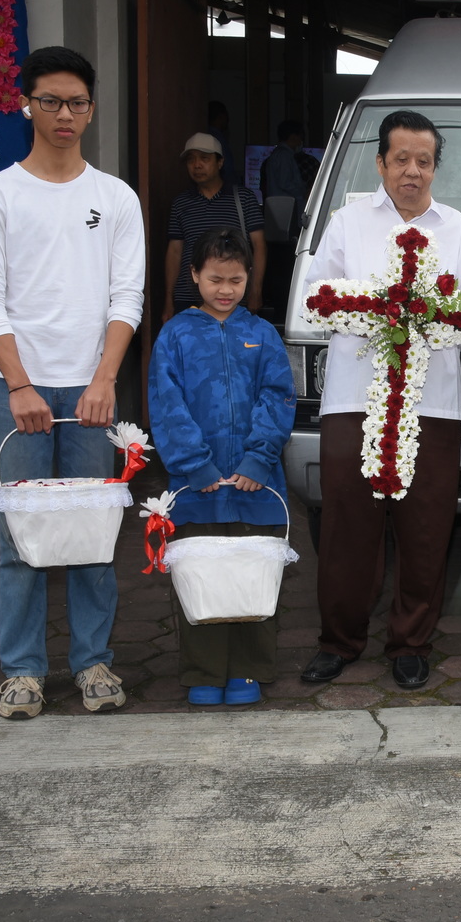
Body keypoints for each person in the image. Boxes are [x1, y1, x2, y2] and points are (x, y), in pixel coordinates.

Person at [0, 46, 145, 720]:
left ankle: (93, 661)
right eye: (51, 101)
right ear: (28, 106)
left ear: (92, 110)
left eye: (76, 103)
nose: (64, 114)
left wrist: (104, 379)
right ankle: (22, 671)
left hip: (90, 391)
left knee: (91, 536)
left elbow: (126, 297)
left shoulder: (114, 197)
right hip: (13, 391)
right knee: (20, 537)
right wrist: (19, 385)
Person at [298, 110, 461, 690]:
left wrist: (431, 312)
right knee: (348, 526)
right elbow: (314, 296)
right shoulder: (348, 222)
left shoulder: (455, 228)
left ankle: (411, 643)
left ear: (436, 168)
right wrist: (380, 303)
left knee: (426, 530)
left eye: (423, 161)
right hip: (354, 398)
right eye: (401, 159)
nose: (412, 171)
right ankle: (339, 641)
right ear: (380, 163)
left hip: (433, 404)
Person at [149, 226, 295, 706]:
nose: (226, 290)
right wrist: (195, 466)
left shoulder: (262, 334)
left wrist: (258, 459)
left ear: (249, 276)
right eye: (215, 279)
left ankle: (249, 670)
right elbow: (166, 404)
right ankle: (204, 672)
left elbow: (279, 397)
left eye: (236, 280)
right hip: (197, 487)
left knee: (254, 572)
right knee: (202, 576)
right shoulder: (175, 335)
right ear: (194, 275)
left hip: (257, 484)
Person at [163, 132, 266, 320]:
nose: (197, 165)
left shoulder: (243, 199)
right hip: (188, 297)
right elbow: (175, 251)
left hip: (232, 295)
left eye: (204, 158)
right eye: (191, 160)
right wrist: (169, 299)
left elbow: (259, 246)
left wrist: (255, 290)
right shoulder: (181, 203)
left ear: (220, 162)